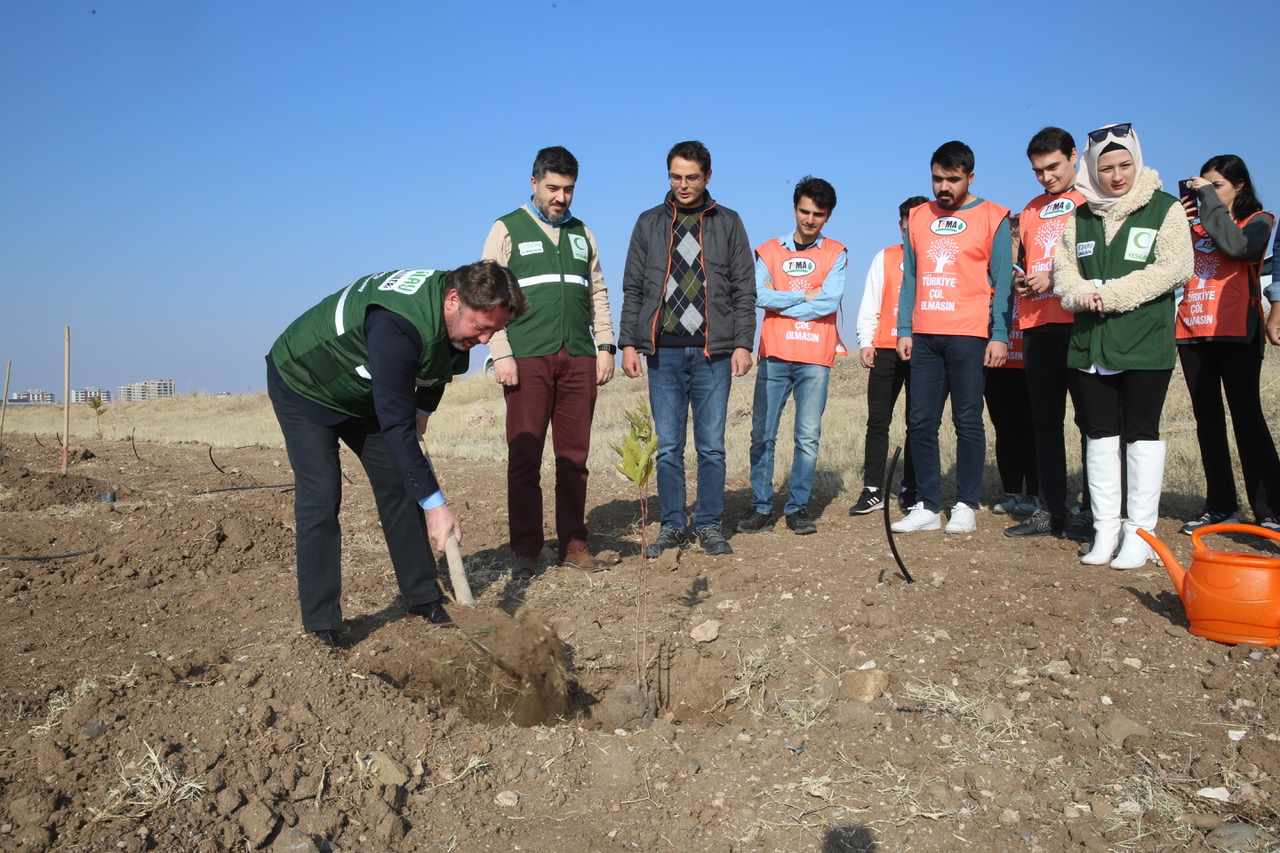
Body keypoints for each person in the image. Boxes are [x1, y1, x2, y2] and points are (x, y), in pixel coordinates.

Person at [267, 262, 528, 646]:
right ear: (454, 300)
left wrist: (422, 412)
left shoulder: (455, 326)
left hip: (362, 390)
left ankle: (422, 598)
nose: (487, 338)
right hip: (305, 383)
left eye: (494, 330)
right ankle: (321, 624)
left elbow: (435, 371)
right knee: (321, 494)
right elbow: (395, 426)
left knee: (399, 483)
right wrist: (436, 506)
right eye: (481, 326)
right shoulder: (397, 325)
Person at [1053, 123, 1193, 569]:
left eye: (1125, 165)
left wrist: (1111, 294)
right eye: (1107, 167)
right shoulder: (1081, 216)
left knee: (1141, 435)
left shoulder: (1164, 209)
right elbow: (1063, 273)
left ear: (1138, 162)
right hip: (1090, 344)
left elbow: (1176, 267)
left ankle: (1140, 532)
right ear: (1092, 169)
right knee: (1098, 435)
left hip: (1144, 342)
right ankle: (1106, 528)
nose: (1117, 176)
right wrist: (1078, 294)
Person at [482, 146, 616, 579]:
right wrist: (500, 353)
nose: (561, 197)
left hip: (578, 357)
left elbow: (597, 292)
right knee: (525, 458)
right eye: (553, 188)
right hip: (526, 359)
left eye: (569, 189)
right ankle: (526, 550)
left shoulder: (583, 233)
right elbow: (487, 295)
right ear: (534, 182)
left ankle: (574, 544)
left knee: (574, 457)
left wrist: (605, 346)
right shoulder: (507, 229)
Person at [619, 140, 755, 557]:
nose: (683, 184)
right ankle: (673, 525)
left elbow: (744, 290)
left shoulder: (729, 222)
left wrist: (743, 344)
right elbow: (633, 288)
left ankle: (711, 525)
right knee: (669, 448)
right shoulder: (647, 223)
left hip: (714, 353)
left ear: (708, 177)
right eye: (676, 176)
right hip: (664, 353)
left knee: (711, 446)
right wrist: (627, 342)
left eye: (692, 177)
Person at [892, 141, 1013, 534]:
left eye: (952, 179)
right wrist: (905, 329)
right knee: (921, 422)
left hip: (969, 335)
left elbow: (1002, 280)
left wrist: (999, 334)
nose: (943, 187)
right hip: (925, 335)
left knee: (967, 421)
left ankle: (965, 504)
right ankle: (927, 505)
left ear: (970, 177)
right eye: (937, 178)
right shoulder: (917, 215)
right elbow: (910, 277)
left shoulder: (993, 217)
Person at [1174, 154, 1280, 533]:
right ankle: (1220, 505)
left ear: (1239, 187)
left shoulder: (1259, 220)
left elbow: (1238, 248)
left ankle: (1270, 509)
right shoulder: (1192, 224)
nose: (1206, 193)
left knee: (1247, 418)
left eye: (1216, 186)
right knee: (1208, 421)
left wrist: (1211, 208)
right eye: (1202, 186)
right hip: (1191, 330)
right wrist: (1181, 220)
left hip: (1237, 329)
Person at [737, 177, 846, 536]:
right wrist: (803, 297)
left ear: (828, 216)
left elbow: (831, 301)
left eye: (818, 214)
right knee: (762, 434)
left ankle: (798, 507)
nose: (809, 219)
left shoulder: (837, 252)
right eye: (804, 211)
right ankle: (761, 506)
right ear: (794, 208)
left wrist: (781, 296)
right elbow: (756, 295)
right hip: (775, 355)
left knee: (807, 437)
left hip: (816, 357)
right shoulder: (768, 251)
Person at [1005, 127, 1093, 540]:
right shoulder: (1031, 210)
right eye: (1038, 171)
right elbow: (1025, 263)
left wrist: (1054, 277)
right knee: (1045, 423)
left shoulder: (1091, 200)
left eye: (1053, 167)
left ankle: (1094, 511)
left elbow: (1100, 263)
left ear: (1074, 156)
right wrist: (1022, 283)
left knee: (1092, 423)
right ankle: (1050, 509)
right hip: (1037, 326)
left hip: (1080, 325)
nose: (1045, 177)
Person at [849, 196, 927, 517]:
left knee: (918, 422)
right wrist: (865, 341)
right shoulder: (885, 257)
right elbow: (870, 301)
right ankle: (872, 490)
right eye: (907, 224)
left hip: (924, 351)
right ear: (901, 225)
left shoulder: (936, 259)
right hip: (884, 348)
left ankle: (911, 488)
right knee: (878, 420)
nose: (911, 231)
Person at [984, 216, 1039, 519]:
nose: (1012, 243)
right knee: (1004, 428)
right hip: (998, 359)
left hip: (1029, 360)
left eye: (1016, 236)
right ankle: (1011, 492)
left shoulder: (1039, 270)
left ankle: (1035, 492)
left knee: (1031, 427)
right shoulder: (991, 273)